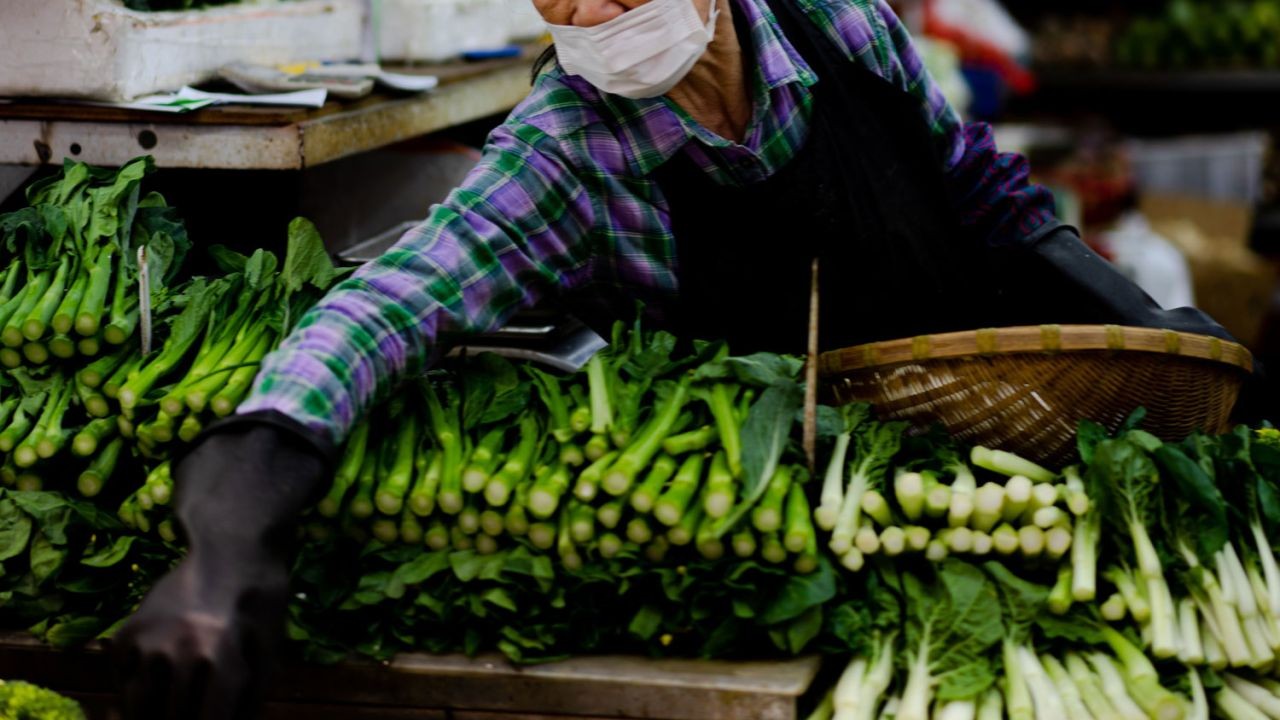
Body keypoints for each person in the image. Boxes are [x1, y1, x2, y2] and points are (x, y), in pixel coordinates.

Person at [113, 0, 1247, 716]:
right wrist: (230, 532)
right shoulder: (565, 155)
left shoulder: (832, 21)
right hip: (821, 544)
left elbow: (987, 194)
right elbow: (380, 311)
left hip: (1014, 464)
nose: (583, 8)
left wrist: (1138, 316)